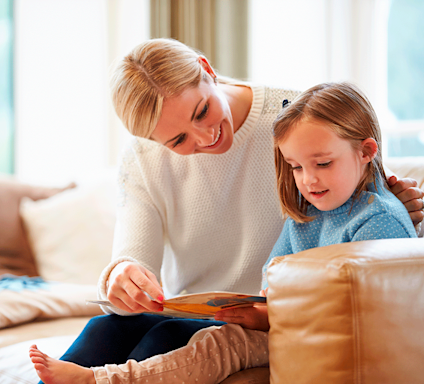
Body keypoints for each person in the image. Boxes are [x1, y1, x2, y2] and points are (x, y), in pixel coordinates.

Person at [28, 82, 417, 384]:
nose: (202, 136)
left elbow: (372, 305)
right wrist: (122, 274)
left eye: (202, 111)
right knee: (105, 327)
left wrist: (396, 196)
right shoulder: (306, 213)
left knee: (169, 342)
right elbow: (273, 278)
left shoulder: (294, 115)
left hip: (284, 325)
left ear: (207, 71)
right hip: (252, 313)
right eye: (295, 167)